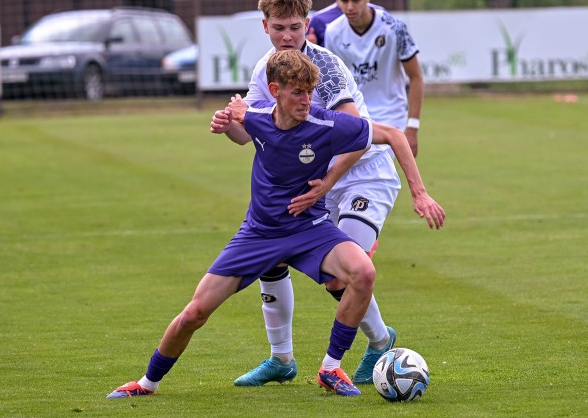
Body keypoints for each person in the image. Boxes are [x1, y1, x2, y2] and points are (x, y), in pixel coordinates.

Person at [106, 50, 445, 399]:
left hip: (309, 229)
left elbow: (393, 135)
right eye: (297, 92)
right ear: (275, 91)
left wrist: (419, 194)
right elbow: (240, 116)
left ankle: (330, 368)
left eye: (310, 92)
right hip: (258, 235)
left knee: (363, 272)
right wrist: (227, 120)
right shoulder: (257, 118)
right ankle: (147, 383)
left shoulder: (327, 123)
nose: (306, 100)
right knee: (195, 312)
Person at [223, 0, 425, 387]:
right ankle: (282, 359)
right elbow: (246, 133)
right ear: (265, 26)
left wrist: (327, 181)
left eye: (295, 27)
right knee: (270, 254)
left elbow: (353, 133)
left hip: (364, 172)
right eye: (279, 27)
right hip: (318, 180)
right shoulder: (266, 70)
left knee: (342, 276)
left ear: (307, 24)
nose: (287, 36)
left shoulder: (324, 69)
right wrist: (230, 122)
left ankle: (377, 343)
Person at [324, 0, 424, 157]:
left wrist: (412, 127)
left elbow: (416, 76)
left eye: (356, 0)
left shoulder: (394, 28)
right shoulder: (332, 32)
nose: (350, 7)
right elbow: (333, 81)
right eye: (344, 1)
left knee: (375, 161)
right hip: (354, 114)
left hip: (391, 114)